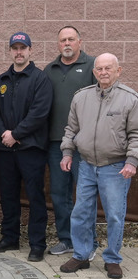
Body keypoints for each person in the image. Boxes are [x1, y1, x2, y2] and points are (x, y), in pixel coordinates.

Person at [59, 53, 138, 279]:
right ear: (94, 72)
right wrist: (67, 153)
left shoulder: (130, 99)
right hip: (86, 165)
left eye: (108, 68)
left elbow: (136, 134)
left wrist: (132, 161)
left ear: (118, 71)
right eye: (99, 69)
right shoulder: (81, 98)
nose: (103, 72)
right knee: (82, 212)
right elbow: (71, 129)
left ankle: (112, 259)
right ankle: (82, 255)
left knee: (114, 214)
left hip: (115, 167)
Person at [0, 32, 53, 262]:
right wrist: (4, 134)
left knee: (35, 198)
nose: (19, 52)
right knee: (8, 196)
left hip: (31, 149)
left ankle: (37, 244)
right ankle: (10, 237)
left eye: (22, 48)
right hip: (6, 150)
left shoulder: (40, 78)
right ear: (10, 51)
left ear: (30, 50)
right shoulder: (2, 79)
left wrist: (16, 134)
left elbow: (39, 113)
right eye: (15, 48)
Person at [44, 26, 98, 257]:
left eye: (71, 39)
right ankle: (66, 239)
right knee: (59, 193)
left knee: (85, 195)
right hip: (56, 143)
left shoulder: (93, 66)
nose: (67, 43)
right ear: (58, 44)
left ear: (79, 42)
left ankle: (88, 242)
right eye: (63, 40)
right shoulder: (50, 70)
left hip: (83, 144)